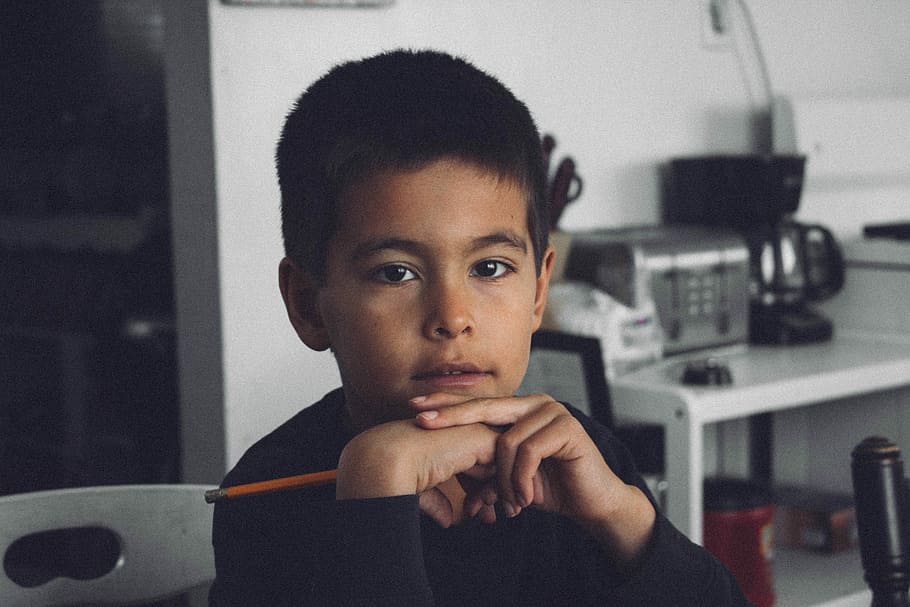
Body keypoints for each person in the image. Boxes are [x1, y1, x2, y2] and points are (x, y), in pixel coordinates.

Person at [209, 48, 751, 606]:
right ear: (308, 305)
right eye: (396, 273)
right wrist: (377, 488)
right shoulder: (264, 498)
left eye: (489, 268)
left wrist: (622, 514)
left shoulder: (577, 459)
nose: (452, 318)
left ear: (538, 291)